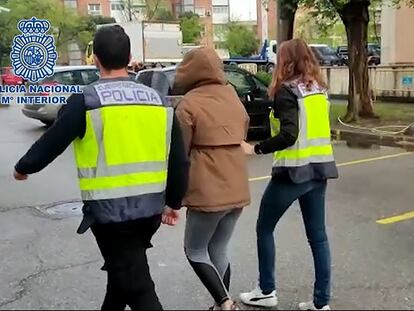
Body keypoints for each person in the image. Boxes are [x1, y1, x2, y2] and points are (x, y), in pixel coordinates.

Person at [13, 25, 189, 311]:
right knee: (122, 279)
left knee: (139, 287)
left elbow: (52, 142)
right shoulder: (158, 101)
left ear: (95, 59)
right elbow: (179, 158)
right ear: (130, 57)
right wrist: (173, 202)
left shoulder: (87, 101)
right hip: (150, 211)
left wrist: (23, 168)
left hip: (110, 215)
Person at [239, 39, 339, 311]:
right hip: (319, 171)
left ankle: (266, 290)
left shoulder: (286, 91)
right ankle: (321, 303)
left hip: (292, 174)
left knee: (264, 228)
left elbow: (289, 134)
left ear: (286, 61)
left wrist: (256, 148)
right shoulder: (319, 90)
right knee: (318, 237)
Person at [162, 47, 250, 310]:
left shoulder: (188, 104)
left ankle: (224, 302)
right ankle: (220, 303)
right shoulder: (232, 95)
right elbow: (243, 127)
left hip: (207, 191)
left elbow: (180, 155)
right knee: (219, 249)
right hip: (237, 187)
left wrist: (172, 201)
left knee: (195, 250)